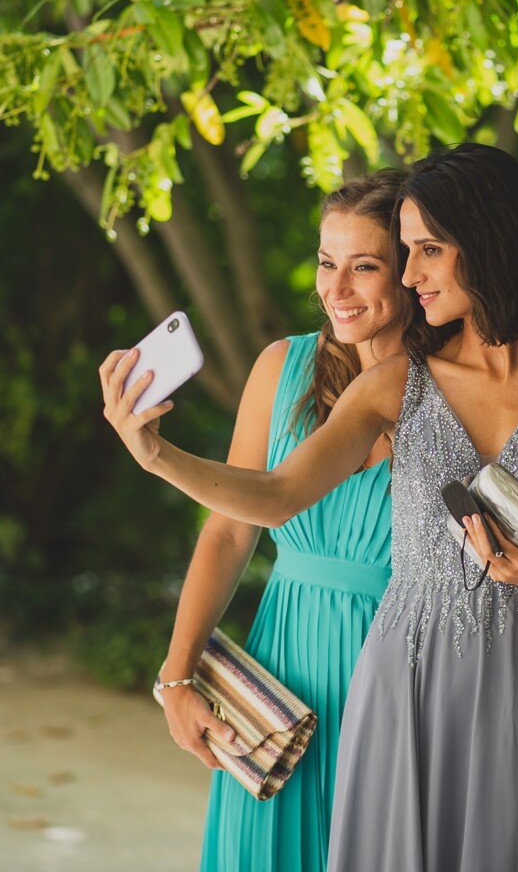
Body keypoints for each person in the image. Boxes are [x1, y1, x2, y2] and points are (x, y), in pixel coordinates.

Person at [102, 145, 518, 872]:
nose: (404, 275)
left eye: (411, 254)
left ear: (486, 242)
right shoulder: (395, 382)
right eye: (332, 262)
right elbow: (271, 499)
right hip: (387, 668)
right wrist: (157, 454)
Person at [160, 170, 406, 872]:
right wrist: (177, 678)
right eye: (328, 263)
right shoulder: (282, 367)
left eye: (365, 266)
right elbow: (230, 529)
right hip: (282, 676)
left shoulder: (449, 388)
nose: (338, 287)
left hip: (398, 674)